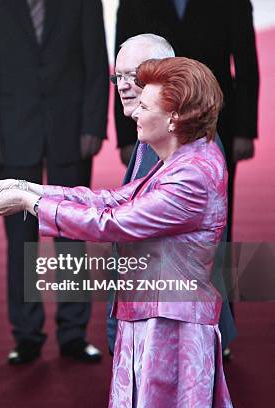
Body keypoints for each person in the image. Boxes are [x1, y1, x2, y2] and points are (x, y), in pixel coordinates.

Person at [0, 57, 233, 406]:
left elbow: (115, 223)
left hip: (172, 325)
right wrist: (31, 187)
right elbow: (112, 199)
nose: (133, 114)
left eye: (144, 107)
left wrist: (30, 204)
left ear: (174, 117)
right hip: (155, 315)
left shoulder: (191, 174)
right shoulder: (182, 159)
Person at [0, 0, 109, 365]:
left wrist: (93, 125)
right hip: (14, 133)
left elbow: (97, 61)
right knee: (20, 238)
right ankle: (27, 334)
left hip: (71, 130)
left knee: (73, 232)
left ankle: (73, 333)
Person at [108, 33, 237, 356]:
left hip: (175, 324)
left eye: (133, 76)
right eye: (118, 76)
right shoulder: (155, 128)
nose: (123, 86)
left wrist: (37, 202)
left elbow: (125, 225)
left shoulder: (180, 140)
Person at [114, 0, 259, 244]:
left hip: (214, 120)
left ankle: (216, 278)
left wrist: (245, 130)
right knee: (146, 208)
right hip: (151, 121)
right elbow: (123, 69)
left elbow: (246, 64)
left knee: (215, 214)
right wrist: (125, 136)